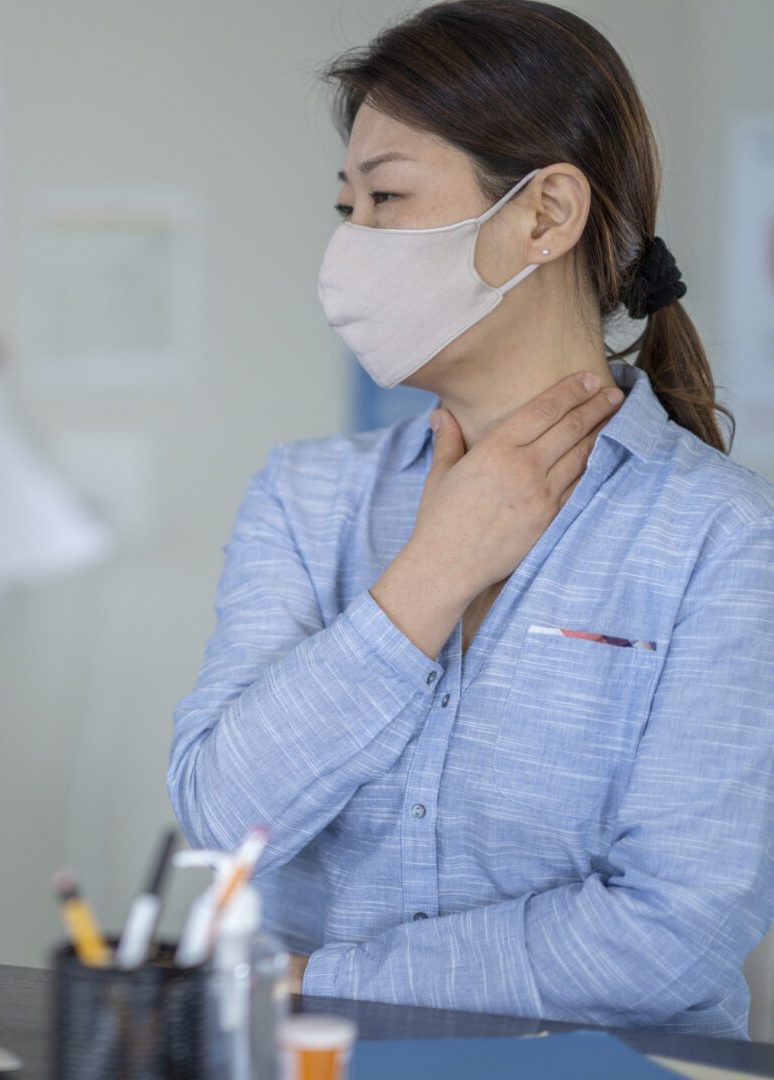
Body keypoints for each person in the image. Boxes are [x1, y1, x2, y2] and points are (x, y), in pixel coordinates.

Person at [169, 0, 774, 1037]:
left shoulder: (724, 537)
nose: (348, 247)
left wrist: (329, 981)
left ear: (545, 215)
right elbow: (223, 818)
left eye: (386, 198)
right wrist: (429, 576)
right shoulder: (305, 495)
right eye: (345, 207)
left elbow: (676, 927)